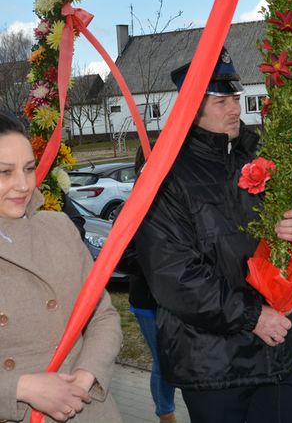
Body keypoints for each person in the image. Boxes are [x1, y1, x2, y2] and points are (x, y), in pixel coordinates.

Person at [133, 47, 292, 423]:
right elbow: (172, 274)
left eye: (234, 97)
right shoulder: (165, 172)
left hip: (278, 355)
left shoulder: (260, 153)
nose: (234, 108)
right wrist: (252, 317)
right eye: (220, 100)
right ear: (191, 106)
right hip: (213, 365)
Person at [0, 111, 122, 423]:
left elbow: (102, 316)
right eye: (5, 172)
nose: (24, 185)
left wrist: (85, 377)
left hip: (89, 410)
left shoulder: (58, 227)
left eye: (29, 169)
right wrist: (20, 387)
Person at [115, 143, 177, 423]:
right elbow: (121, 257)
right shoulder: (133, 207)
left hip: (181, 299)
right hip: (149, 303)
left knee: (180, 359)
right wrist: (157, 264)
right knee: (163, 362)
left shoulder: (178, 199)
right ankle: (166, 414)